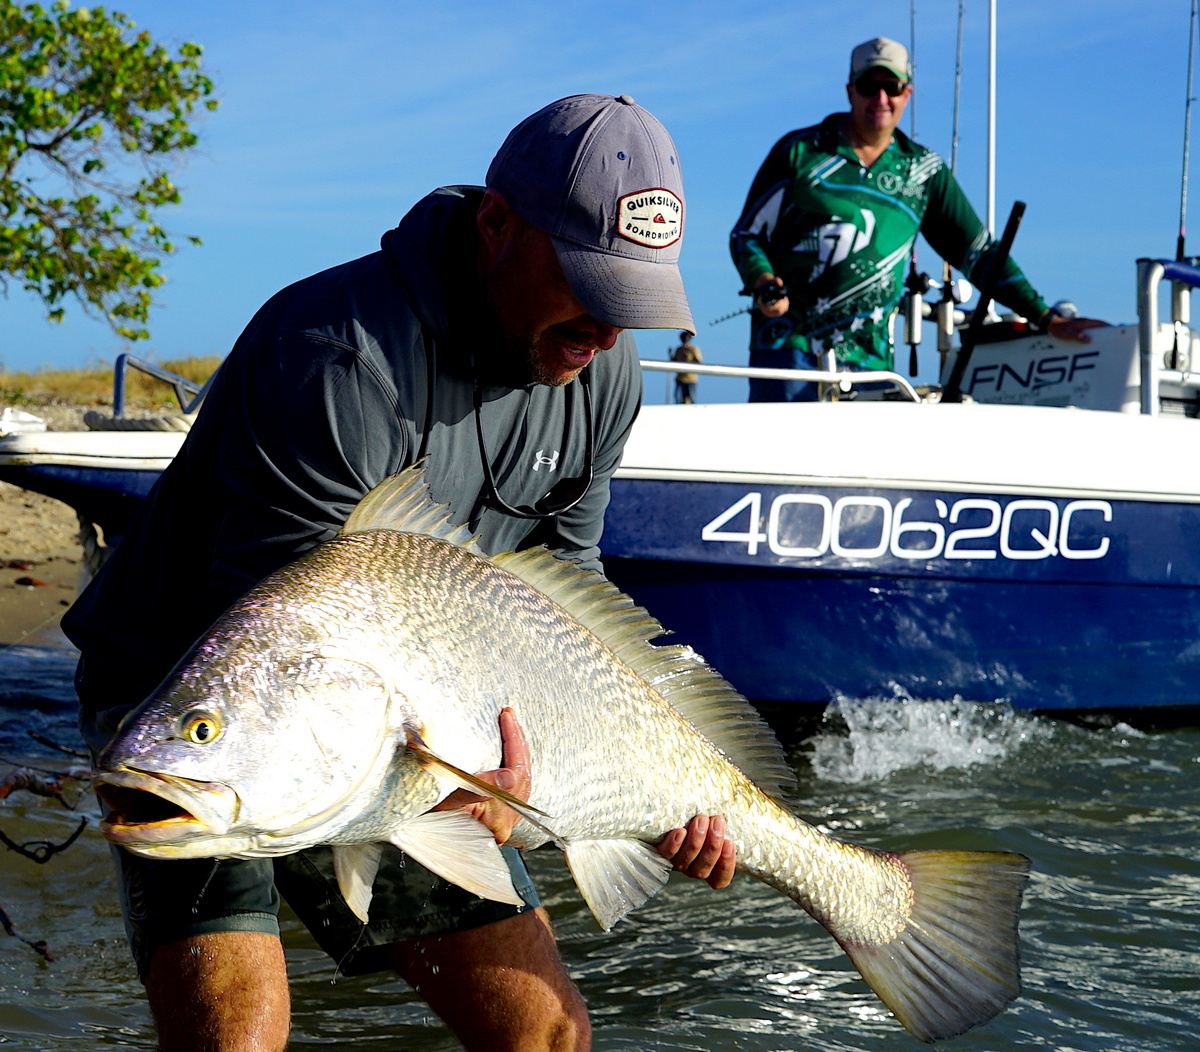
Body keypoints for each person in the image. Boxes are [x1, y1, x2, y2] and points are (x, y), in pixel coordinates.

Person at [63, 94, 736, 1052]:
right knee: (237, 1035)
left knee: (546, 1036)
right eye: (589, 286)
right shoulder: (337, 354)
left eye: (632, 304)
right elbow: (275, 640)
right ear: (496, 227)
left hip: (408, 716)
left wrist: (607, 777)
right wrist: (456, 776)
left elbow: (562, 585)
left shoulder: (604, 376)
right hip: (208, 705)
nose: (606, 333)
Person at [729, 36, 1105, 402]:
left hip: (872, 365)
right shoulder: (799, 152)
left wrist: (1045, 318)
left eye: (891, 87)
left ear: (907, 93)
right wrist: (762, 281)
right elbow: (746, 235)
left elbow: (979, 254)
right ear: (849, 91)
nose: (880, 98)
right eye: (868, 86)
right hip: (787, 353)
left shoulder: (923, 172)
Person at [669, 331, 702, 403]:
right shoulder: (679, 349)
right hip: (680, 378)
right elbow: (674, 361)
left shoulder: (693, 349)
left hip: (690, 378)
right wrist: (671, 354)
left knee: (691, 398)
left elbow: (698, 361)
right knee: (678, 397)